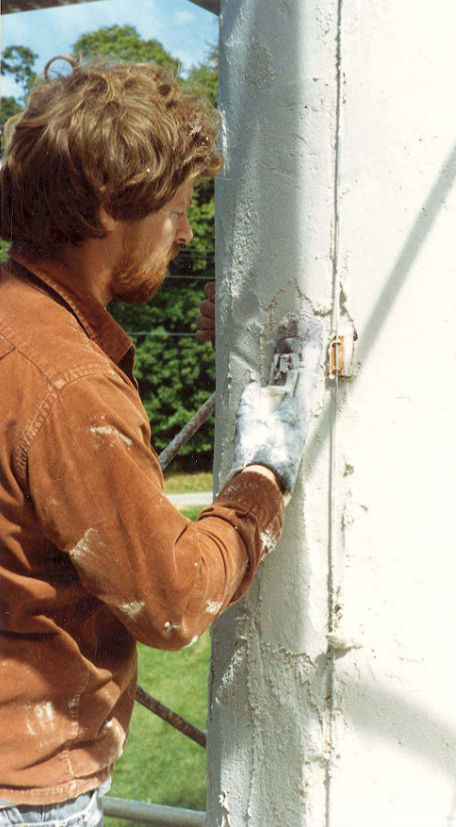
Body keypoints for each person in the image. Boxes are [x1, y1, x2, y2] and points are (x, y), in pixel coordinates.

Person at [0, 57, 320, 825]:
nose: (183, 233)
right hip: (24, 785)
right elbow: (172, 600)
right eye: (177, 209)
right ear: (111, 205)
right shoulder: (68, 386)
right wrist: (261, 478)